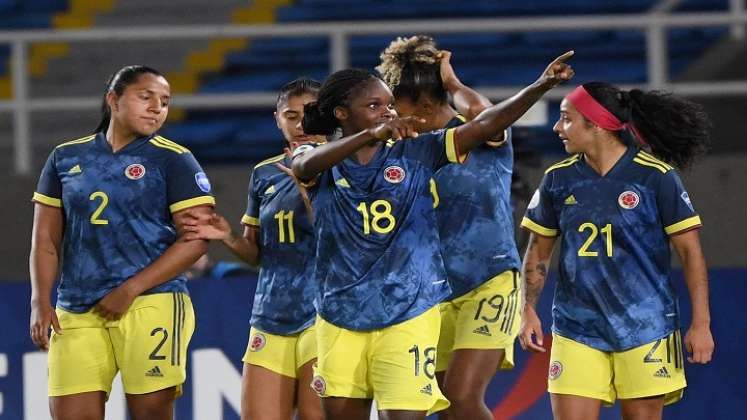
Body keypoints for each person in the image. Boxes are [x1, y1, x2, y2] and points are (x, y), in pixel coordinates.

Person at [291, 51, 573, 420]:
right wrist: (368, 136)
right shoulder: (318, 156)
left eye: (390, 105)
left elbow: (486, 123)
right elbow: (302, 165)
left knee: (447, 401)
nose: (388, 113)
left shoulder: (419, 150)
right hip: (341, 313)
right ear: (342, 114)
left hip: (411, 311)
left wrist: (540, 85)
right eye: (375, 105)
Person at [518, 81, 715, 420]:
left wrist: (701, 323)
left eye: (566, 119)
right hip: (576, 328)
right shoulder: (557, 180)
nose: (556, 127)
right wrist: (527, 309)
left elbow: (690, 253)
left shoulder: (656, 178)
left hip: (646, 327)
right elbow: (538, 252)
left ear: (596, 124)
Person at [29, 65, 215, 420]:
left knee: (150, 413)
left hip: (151, 301)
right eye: (145, 97)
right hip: (77, 307)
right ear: (113, 100)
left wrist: (130, 289)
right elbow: (44, 240)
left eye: (164, 101)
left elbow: (196, 242)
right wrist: (40, 300)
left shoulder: (174, 159)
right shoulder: (65, 157)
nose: (156, 108)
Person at [377, 35, 521, 420]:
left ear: (425, 105)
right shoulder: (405, 150)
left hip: (489, 280)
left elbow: (488, 113)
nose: (390, 116)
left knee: (461, 395)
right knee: (442, 400)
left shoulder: (481, 135)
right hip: (435, 290)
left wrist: (453, 84)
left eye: (396, 107)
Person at [182, 78, 324, 420]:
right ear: (277, 119)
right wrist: (229, 236)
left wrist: (306, 186)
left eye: (310, 114)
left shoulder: (345, 165)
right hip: (271, 314)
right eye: (290, 115)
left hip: (324, 313)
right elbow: (258, 254)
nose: (300, 124)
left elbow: (348, 238)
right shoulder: (264, 174)